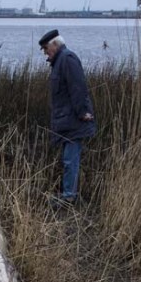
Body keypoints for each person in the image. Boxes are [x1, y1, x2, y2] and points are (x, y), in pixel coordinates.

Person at [39, 29, 96, 207]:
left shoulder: (67, 59)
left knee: (70, 159)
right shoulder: (59, 61)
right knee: (68, 158)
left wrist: (82, 113)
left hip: (73, 120)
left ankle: (69, 197)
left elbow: (78, 88)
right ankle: (67, 193)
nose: (45, 52)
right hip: (66, 120)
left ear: (55, 44)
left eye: (46, 48)